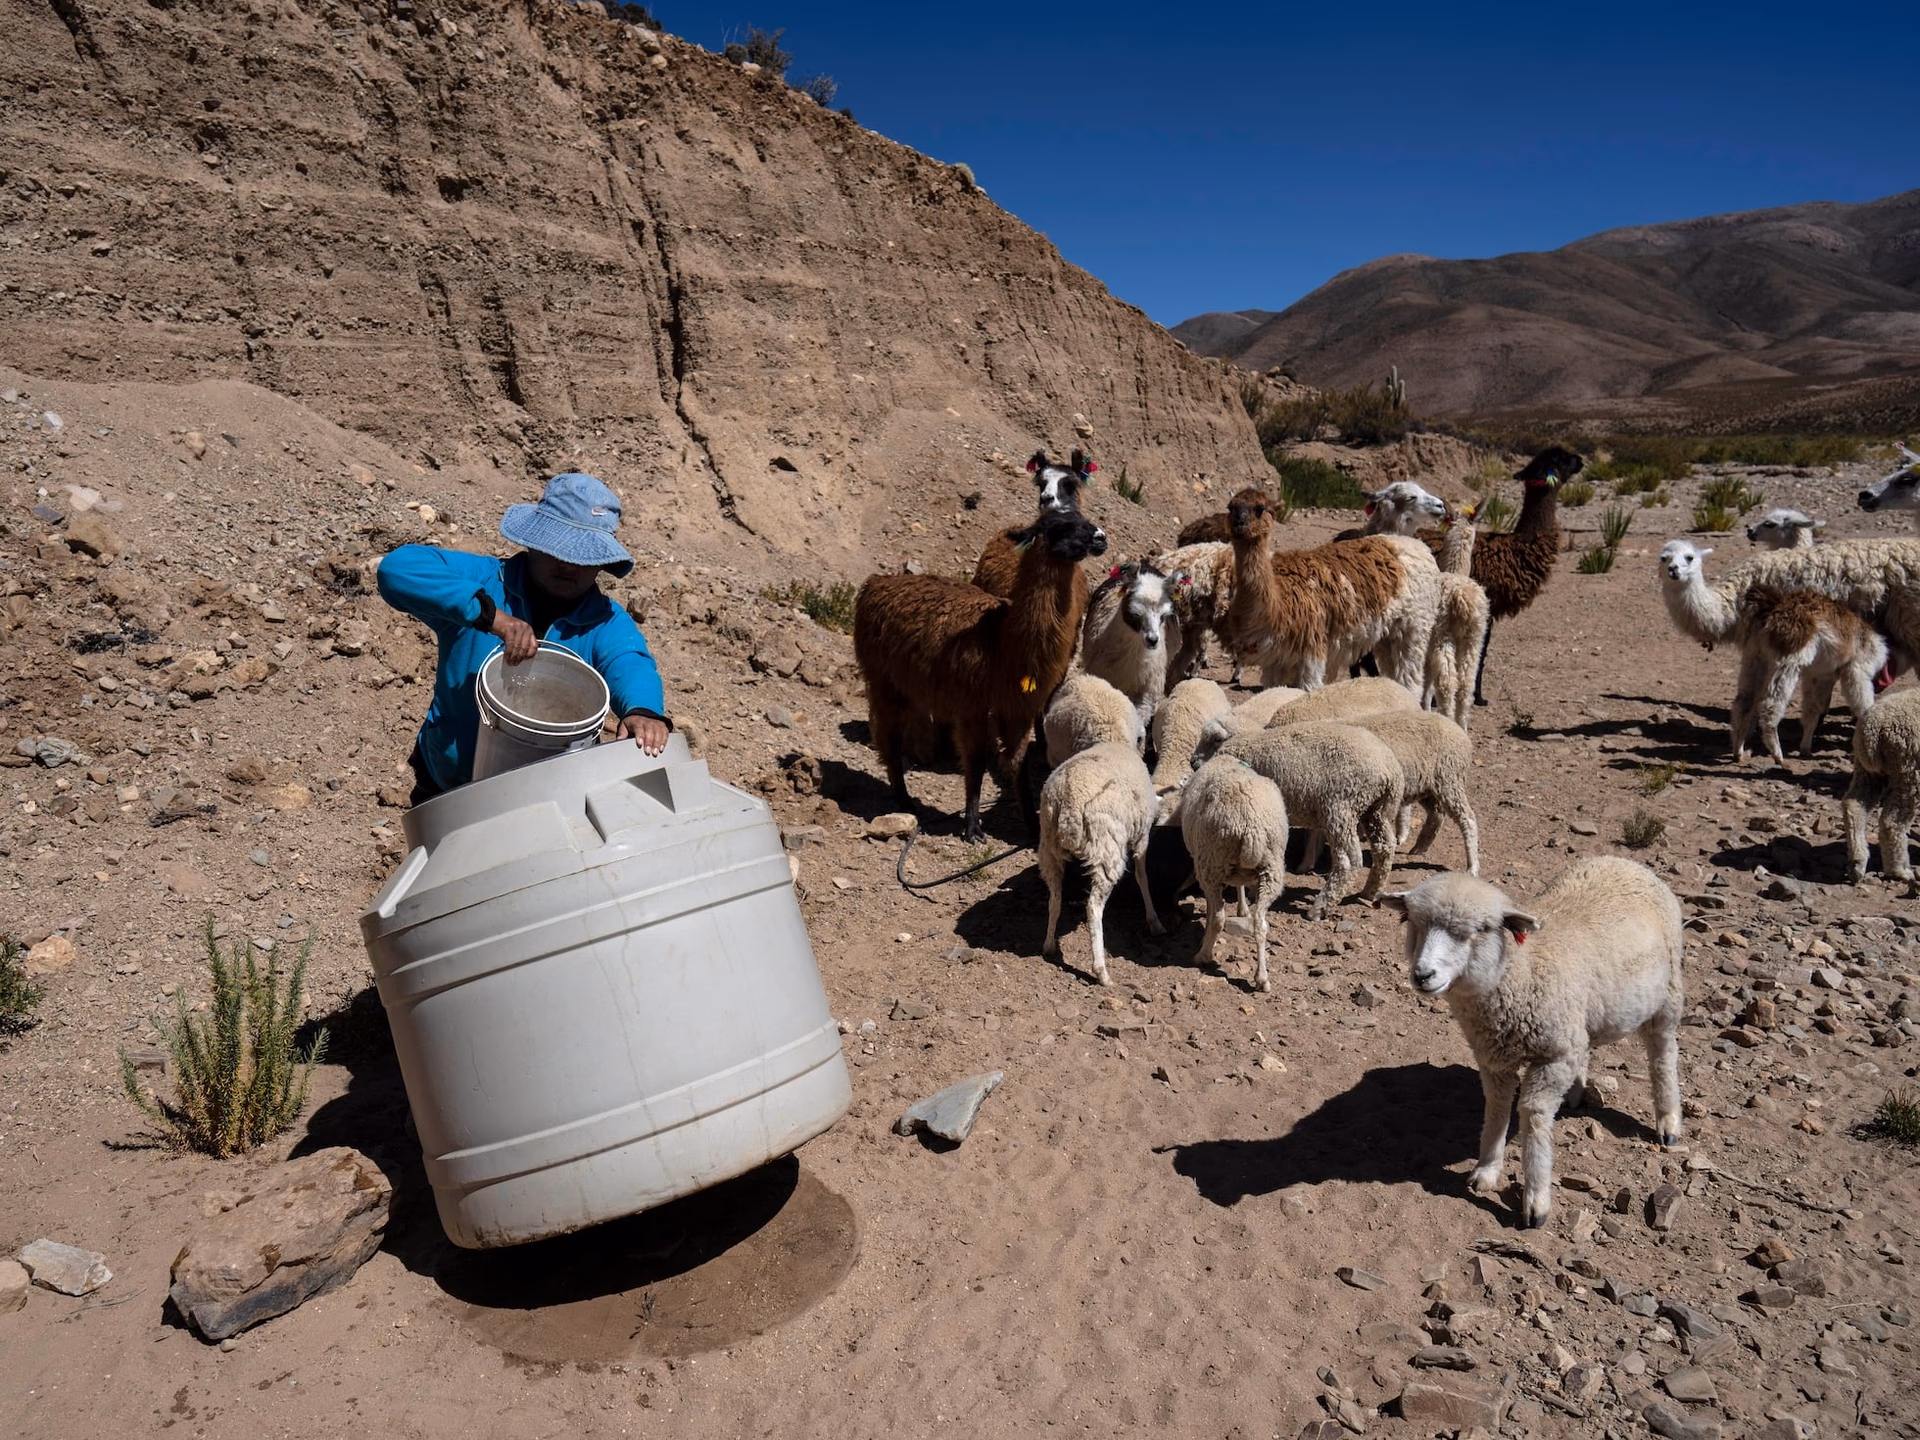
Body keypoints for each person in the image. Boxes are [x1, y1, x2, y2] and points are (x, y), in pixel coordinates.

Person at [376, 472, 671, 804]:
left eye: (584, 557)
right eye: (558, 549)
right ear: (534, 542)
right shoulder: (485, 582)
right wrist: (487, 614)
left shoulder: (604, 621)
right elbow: (397, 569)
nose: (569, 566)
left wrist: (643, 710)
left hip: (550, 802)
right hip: (447, 787)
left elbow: (629, 661)